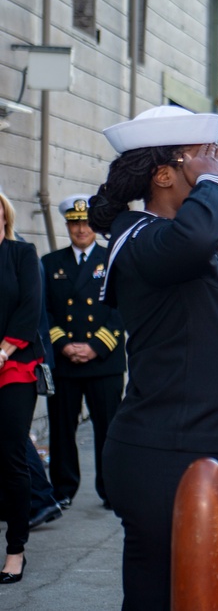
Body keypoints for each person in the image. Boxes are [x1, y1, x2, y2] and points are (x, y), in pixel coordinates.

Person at [90, 105, 218, 610]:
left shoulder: (179, 243)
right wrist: (212, 186)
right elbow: (191, 239)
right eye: (204, 157)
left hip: (200, 441)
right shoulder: (140, 237)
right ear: (164, 175)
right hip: (166, 450)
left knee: (197, 591)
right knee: (166, 595)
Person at [41, 194, 125, 510]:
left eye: (86, 223)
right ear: (67, 225)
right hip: (66, 363)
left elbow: (123, 309)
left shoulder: (113, 259)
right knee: (62, 430)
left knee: (109, 431)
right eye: (74, 223)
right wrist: (63, 345)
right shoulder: (50, 264)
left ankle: (111, 490)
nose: (81, 229)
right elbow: (44, 311)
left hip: (103, 361)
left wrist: (95, 346)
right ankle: (62, 489)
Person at [0, 190, 45, 584]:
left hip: (13, 367)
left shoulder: (21, 253)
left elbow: (31, 306)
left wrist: (2, 351)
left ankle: (16, 551)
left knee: (11, 453)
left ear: (4, 214)